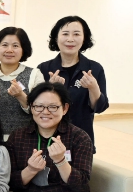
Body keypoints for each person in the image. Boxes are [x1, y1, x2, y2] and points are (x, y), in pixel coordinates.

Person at [37, 16, 108, 150]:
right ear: (56, 38)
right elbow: (36, 107)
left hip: (82, 139)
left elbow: (100, 108)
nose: (70, 39)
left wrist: (93, 88)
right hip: (48, 138)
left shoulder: (95, 68)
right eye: (65, 34)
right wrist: (49, 88)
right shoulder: (44, 68)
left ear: (84, 38)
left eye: (76, 34)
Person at [0, 27, 44, 139]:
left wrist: (21, 96)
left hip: (25, 140)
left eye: (15, 46)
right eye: (4, 45)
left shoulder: (35, 74)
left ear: (23, 49)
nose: (9, 50)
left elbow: (42, 110)